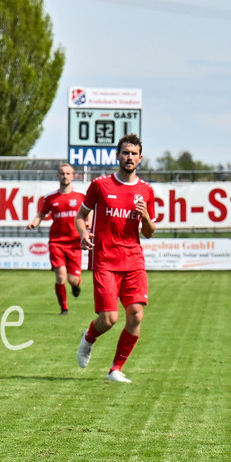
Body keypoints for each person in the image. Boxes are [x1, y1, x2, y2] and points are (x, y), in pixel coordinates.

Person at [75, 134, 156, 383]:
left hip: (133, 260)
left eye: (133, 153)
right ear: (117, 156)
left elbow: (149, 233)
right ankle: (89, 337)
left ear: (140, 159)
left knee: (136, 315)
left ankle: (115, 369)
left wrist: (145, 217)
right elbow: (81, 216)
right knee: (109, 319)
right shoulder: (100, 185)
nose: (129, 157)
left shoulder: (146, 191)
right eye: (125, 152)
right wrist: (83, 233)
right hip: (105, 261)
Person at [26, 163, 88, 315]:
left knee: (73, 279)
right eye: (62, 173)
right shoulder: (50, 197)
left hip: (75, 242)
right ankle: (64, 308)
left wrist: (88, 225)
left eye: (68, 173)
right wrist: (35, 222)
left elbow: (90, 210)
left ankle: (75, 285)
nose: (65, 176)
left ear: (73, 176)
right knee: (60, 275)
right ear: (57, 176)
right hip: (57, 241)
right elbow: (42, 214)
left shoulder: (81, 196)